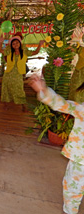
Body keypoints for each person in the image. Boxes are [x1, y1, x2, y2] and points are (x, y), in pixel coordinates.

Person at [29, 75, 84, 214]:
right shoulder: (82, 109)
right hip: (80, 159)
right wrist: (44, 90)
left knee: (73, 188)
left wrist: (43, 90)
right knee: (73, 188)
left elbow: (64, 105)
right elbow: (64, 105)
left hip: (80, 159)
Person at [0, 34, 44, 112]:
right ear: (11, 45)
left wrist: (39, 45)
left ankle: (23, 105)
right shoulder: (9, 51)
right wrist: (0, 42)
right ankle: (5, 105)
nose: (15, 45)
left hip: (18, 74)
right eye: (13, 43)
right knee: (6, 89)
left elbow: (35, 52)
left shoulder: (24, 51)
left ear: (20, 43)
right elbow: (0, 50)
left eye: (17, 43)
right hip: (8, 74)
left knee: (19, 90)